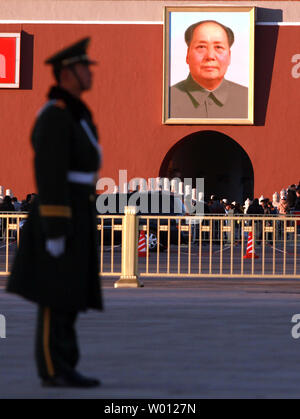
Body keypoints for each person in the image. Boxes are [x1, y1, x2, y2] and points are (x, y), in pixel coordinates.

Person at [6, 38, 102, 388]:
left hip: (77, 211)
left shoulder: (75, 114)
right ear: (66, 73)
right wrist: (57, 228)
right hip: (59, 215)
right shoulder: (56, 116)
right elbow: (49, 174)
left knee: (70, 294)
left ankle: (66, 363)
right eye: (83, 68)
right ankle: (52, 367)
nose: (89, 73)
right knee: (53, 297)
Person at [170, 20, 248, 119]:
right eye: (201, 47)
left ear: (229, 56)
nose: (210, 56)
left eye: (218, 47)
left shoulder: (248, 99)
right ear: (187, 55)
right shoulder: (167, 99)